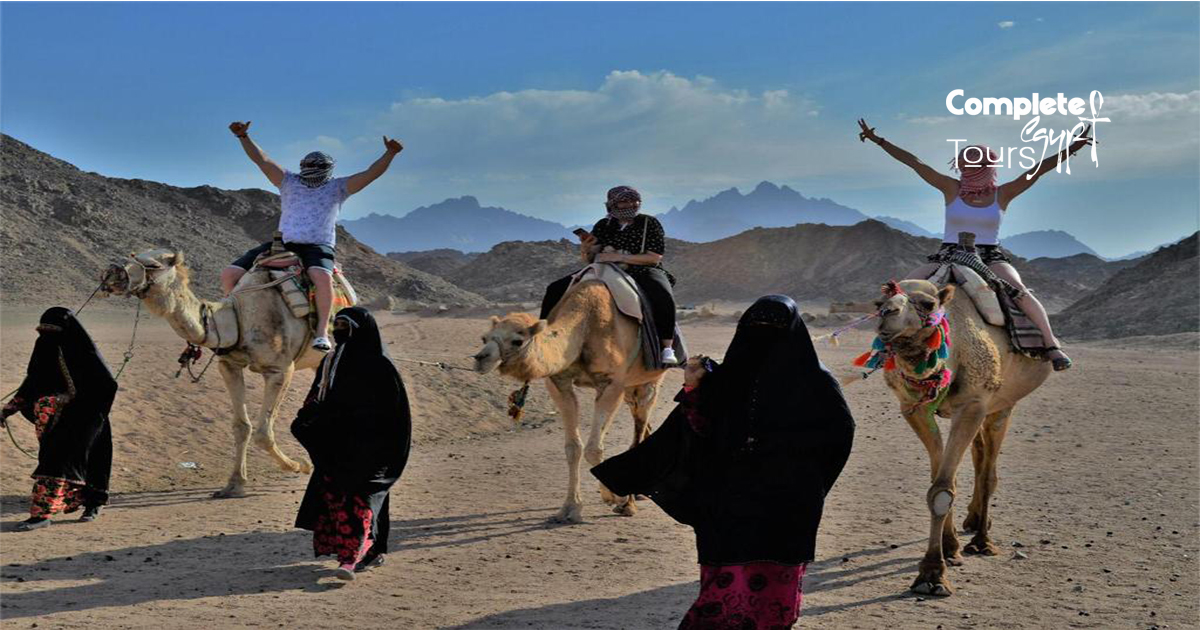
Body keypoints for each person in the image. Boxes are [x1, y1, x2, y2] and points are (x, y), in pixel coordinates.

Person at [592, 295, 855, 629]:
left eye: (773, 329)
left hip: (788, 500)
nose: (763, 336)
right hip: (730, 495)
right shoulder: (725, 380)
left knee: (776, 587)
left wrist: (810, 481)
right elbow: (698, 428)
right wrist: (692, 388)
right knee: (722, 582)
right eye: (755, 328)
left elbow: (839, 437)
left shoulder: (818, 383)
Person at [856, 118, 1092, 371]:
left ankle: (1051, 344)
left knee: (1020, 291)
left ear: (985, 165)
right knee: (898, 292)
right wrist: (878, 140)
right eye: (962, 161)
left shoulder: (1004, 193)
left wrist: (1073, 148)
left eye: (970, 161)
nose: (963, 165)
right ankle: (883, 348)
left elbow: (1039, 168)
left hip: (990, 255)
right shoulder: (951, 188)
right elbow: (915, 163)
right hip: (948, 253)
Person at [222, 121, 404, 352]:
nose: (311, 169)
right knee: (230, 274)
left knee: (322, 277)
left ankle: (320, 334)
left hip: (318, 247)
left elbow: (371, 174)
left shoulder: (338, 188)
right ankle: (231, 322)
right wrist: (243, 137)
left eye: (315, 166)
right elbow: (263, 160)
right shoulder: (288, 181)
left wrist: (389, 154)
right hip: (283, 243)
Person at [291, 307, 411, 580]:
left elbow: (394, 413)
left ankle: (350, 558)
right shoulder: (331, 361)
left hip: (371, 449)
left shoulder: (381, 365)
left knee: (363, 498)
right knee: (337, 497)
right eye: (338, 324)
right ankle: (369, 551)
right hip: (339, 446)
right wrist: (305, 420)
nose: (340, 330)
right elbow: (318, 396)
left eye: (347, 325)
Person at [1, 308, 117, 531]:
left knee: (79, 462)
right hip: (55, 420)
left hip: (89, 418)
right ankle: (45, 513)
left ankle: (84, 506)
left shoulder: (84, 353)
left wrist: (72, 401)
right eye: (43, 332)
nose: (46, 337)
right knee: (56, 461)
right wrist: (9, 409)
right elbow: (33, 382)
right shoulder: (45, 347)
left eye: (52, 332)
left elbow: (106, 386)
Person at [540, 185, 680, 364]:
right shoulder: (603, 225)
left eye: (634, 200)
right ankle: (543, 335)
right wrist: (586, 247)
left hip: (642, 269)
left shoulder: (649, 223)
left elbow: (654, 257)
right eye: (624, 201)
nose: (631, 204)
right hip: (604, 268)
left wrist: (619, 256)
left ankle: (666, 347)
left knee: (662, 293)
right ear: (612, 204)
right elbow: (590, 258)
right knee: (555, 288)